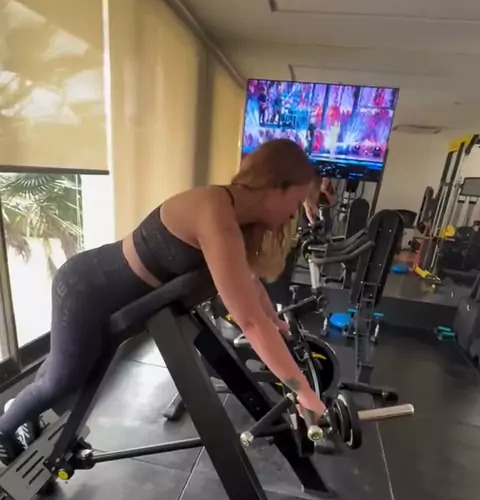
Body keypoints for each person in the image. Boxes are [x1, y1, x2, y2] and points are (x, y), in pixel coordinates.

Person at [0, 139, 327, 466]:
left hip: (101, 296)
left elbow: (247, 282)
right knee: (59, 383)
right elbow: (250, 323)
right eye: (296, 202)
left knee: (67, 374)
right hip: (83, 289)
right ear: (276, 188)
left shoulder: (233, 219)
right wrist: (303, 392)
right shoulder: (213, 211)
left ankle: (25, 415)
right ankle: (4, 429)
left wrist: (273, 319)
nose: (293, 214)